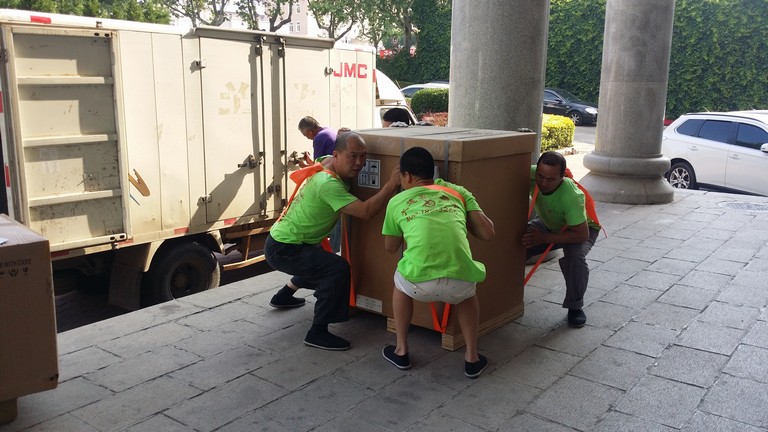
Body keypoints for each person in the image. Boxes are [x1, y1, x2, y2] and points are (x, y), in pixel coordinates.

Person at [265, 132, 401, 351]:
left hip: (288, 241)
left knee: (319, 263)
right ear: (337, 155)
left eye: (363, 156)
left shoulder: (327, 162)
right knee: (336, 269)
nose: (359, 163)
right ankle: (317, 332)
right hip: (285, 247)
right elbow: (365, 212)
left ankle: (283, 296)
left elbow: (324, 160)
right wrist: (391, 184)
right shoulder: (328, 184)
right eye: (353, 156)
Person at [381, 147, 496, 378]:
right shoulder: (457, 192)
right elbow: (488, 232)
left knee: (399, 280)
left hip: (418, 286)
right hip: (459, 284)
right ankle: (472, 358)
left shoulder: (396, 201)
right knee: (468, 293)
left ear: (407, 176)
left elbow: (390, 247)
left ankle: (401, 350)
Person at [523, 151, 600, 328]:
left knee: (574, 258)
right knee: (518, 241)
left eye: (550, 180)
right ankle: (509, 297)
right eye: (540, 176)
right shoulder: (532, 173)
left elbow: (582, 235)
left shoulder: (572, 196)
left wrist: (544, 238)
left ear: (562, 176)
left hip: (580, 229)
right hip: (549, 223)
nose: (543, 183)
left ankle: (575, 306)